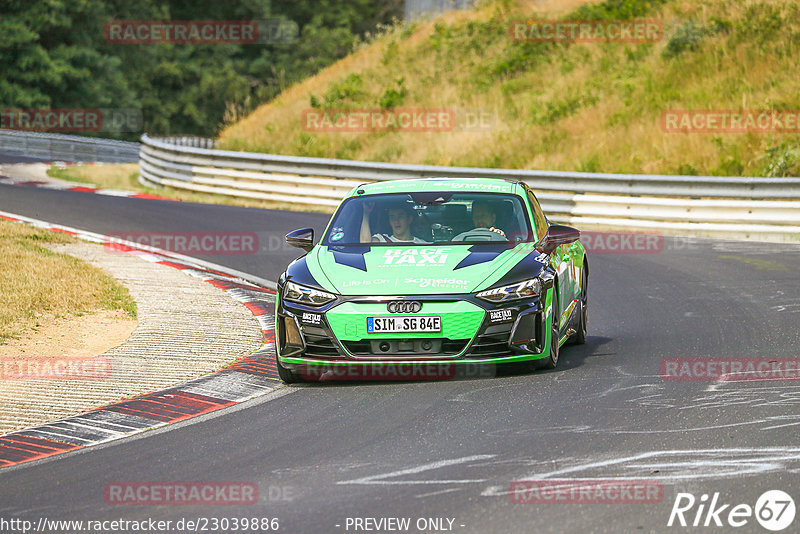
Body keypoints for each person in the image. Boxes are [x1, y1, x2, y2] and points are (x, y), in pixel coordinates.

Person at [360, 201, 429, 243]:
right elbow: (365, 244)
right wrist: (366, 214)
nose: (396, 221)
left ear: (409, 219)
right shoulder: (381, 240)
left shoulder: (422, 244)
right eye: (392, 217)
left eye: (400, 216)